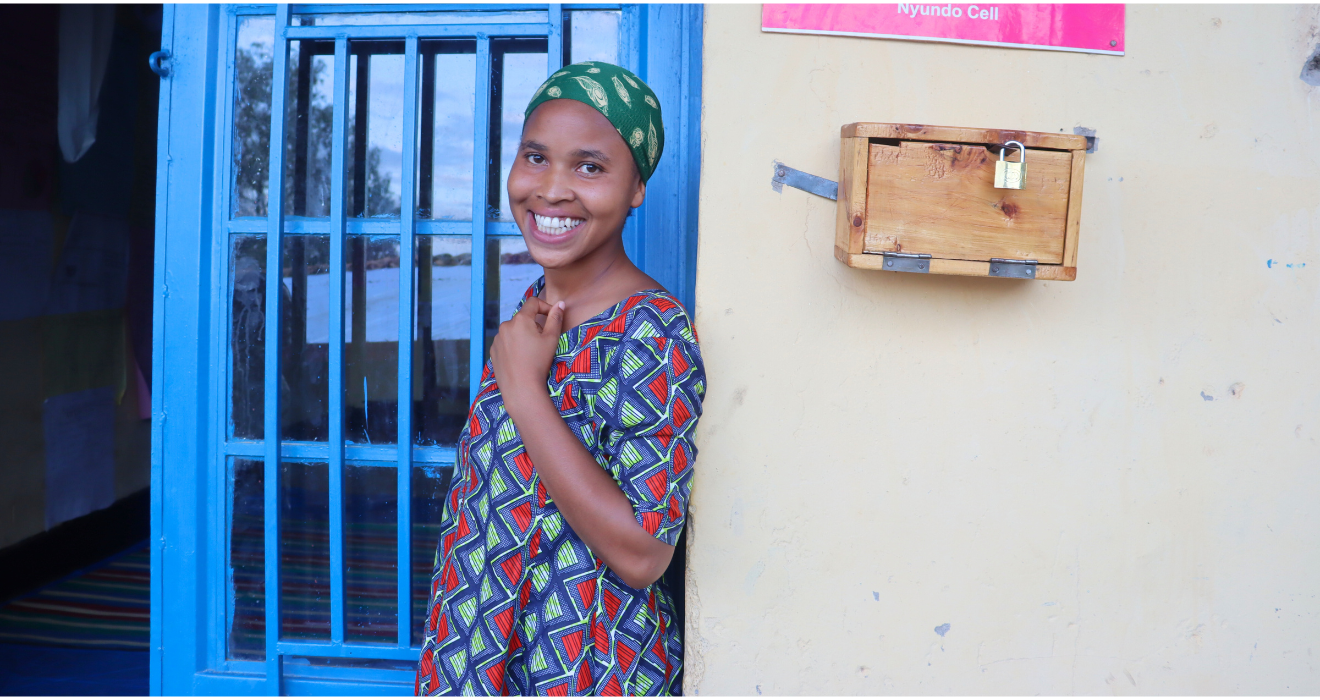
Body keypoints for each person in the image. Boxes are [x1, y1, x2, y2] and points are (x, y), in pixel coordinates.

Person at [416, 61, 705, 696]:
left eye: (590, 167)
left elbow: (643, 555)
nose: (551, 189)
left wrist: (523, 392)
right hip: (481, 653)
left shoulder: (650, 335)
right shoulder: (539, 312)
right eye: (536, 157)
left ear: (636, 188)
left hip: (582, 668)